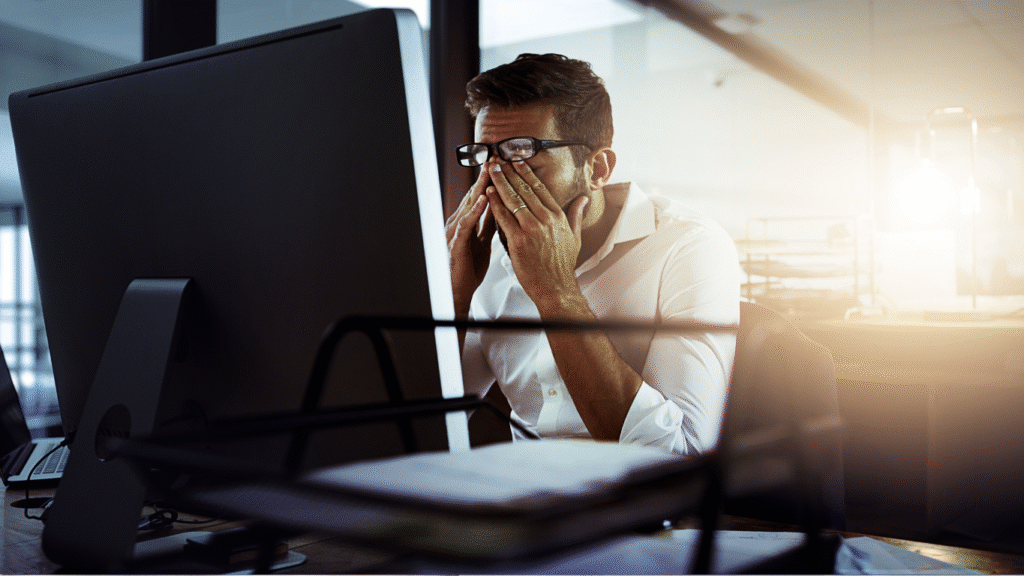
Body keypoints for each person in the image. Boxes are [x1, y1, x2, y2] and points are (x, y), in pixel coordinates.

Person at [445, 53, 740, 456]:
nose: (495, 185)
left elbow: (679, 458)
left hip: (639, 511)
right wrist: (452, 298)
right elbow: (419, 424)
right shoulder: (486, 259)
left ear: (597, 169)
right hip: (524, 498)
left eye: (521, 154)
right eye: (485, 157)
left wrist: (557, 292)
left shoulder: (689, 246)